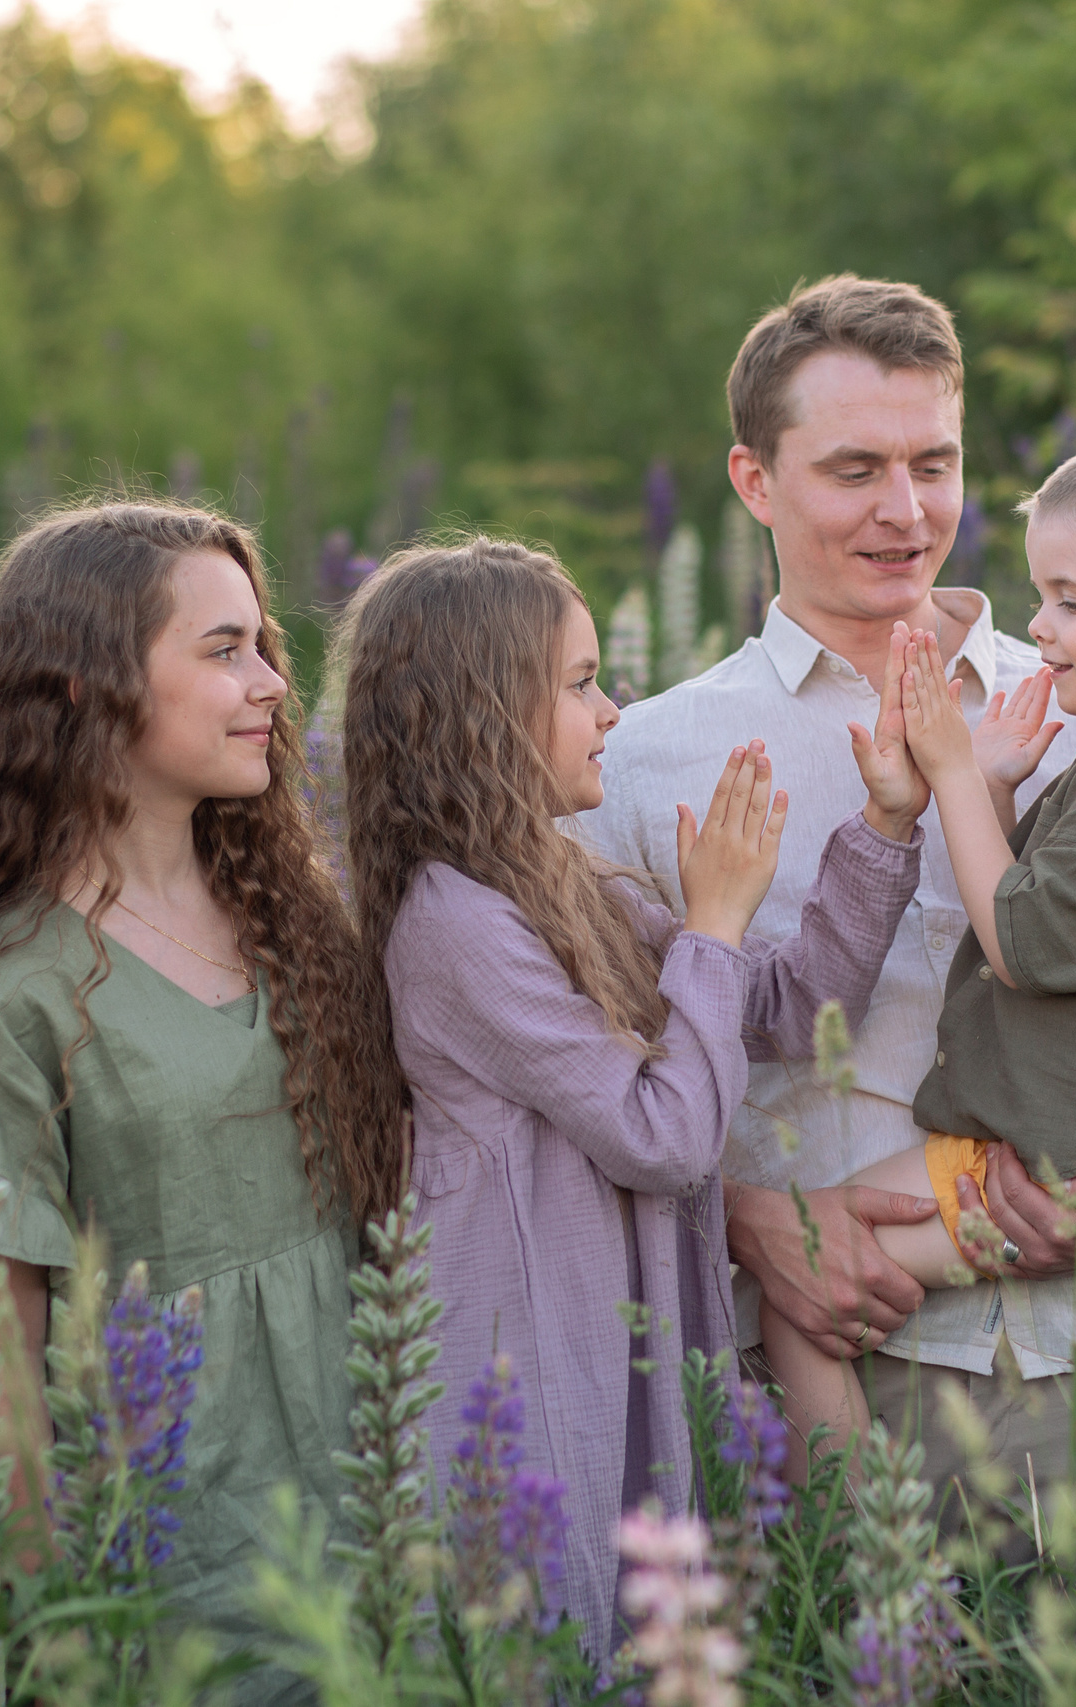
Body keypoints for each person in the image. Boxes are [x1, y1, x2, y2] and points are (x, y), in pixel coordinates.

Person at [578, 274, 1076, 1532]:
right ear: (752, 482)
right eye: (852, 470)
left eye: (933, 464)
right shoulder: (637, 762)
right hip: (835, 1369)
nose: (904, 512)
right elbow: (569, 1101)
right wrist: (746, 1226)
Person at [342, 536, 924, 1653]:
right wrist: (709, 922)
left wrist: (884, 825)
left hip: (620, 1334)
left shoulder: (564, 884)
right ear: (483, 711)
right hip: (532, 1357)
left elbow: (789, 1010)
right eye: (576, 683)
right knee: (561, 1639)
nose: (610, 710)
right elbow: (662, 1137)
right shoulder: (454, 921)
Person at [0, 501, 402, 1684]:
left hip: (370, 1443)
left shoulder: (291, 911)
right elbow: (0, 1335)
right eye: (223, 652)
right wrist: (45, 1609)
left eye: (263, 643)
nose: (272, 681)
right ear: (84, 685)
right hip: (178, 1505)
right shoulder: (17, 984)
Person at [762, 436, 1076, 1447]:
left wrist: (952, 770)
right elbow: (1054, 910)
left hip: (1064, 1167)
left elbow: (1023, 946)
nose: (1038, 626)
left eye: (1070, 604)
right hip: (1052, 1151)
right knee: (821, 1234)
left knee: (804, 1286)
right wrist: (993, 780)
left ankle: (868, 1564)